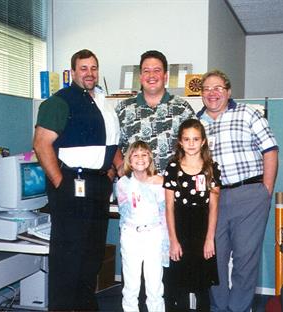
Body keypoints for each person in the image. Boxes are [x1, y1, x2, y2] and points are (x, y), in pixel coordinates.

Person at [33, 49, 120, 311]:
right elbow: (41, 144)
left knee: (91, 256)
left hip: (98, 186)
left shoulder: (102, 102)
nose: (90, 73)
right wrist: (61, 182)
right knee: (68, 258)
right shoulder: (59, 102)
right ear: (72, 72)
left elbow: (112, 144)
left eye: (94, 68)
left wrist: (114, 170)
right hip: (72, 184)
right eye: (84, 68)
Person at [197, 69, 278, 312]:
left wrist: (266, 190)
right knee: (214, 260)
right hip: (213, 200)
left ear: (228, 91)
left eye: (218, 88)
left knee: (245, 260)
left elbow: (271, 151)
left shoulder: (248, 113)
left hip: (249, 196)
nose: (212, 93)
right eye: (207, 89)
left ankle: (239, 309)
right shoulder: (196, 123)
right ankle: (220, 308)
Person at [163, 119, 221, 311]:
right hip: (180, 230)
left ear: (203, 141)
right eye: (186, 139)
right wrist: (173, 240)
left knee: (201, 286)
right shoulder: (172, 168)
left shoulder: (211, 168)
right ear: (180, 141)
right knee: (179, 286)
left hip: (202, 232)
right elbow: (169, 207)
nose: (191, 144)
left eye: (195, 139)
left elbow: (213, 207)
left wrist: (210, 239)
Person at [116, 50, 195, 173]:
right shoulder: (123, 109)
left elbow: (195, 145)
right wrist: (120, 167)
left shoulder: (182, 109)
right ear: (140, 77)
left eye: (157, 70)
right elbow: (112, 144)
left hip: (171, 187)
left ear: (165, 76)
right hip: (134, 187)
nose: (151, 75)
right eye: (146, 71)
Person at [116, 141, 168, 312]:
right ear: (129, 160)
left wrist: (160, 182)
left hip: (154, 235)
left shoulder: (160, 182)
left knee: (155, 284)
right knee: (131, 285)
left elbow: (164, 213)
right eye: (135, 155)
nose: (140, 158)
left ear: (150, 158)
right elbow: (126, 211)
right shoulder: (123, 183)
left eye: (144, 154)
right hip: (131, 235)